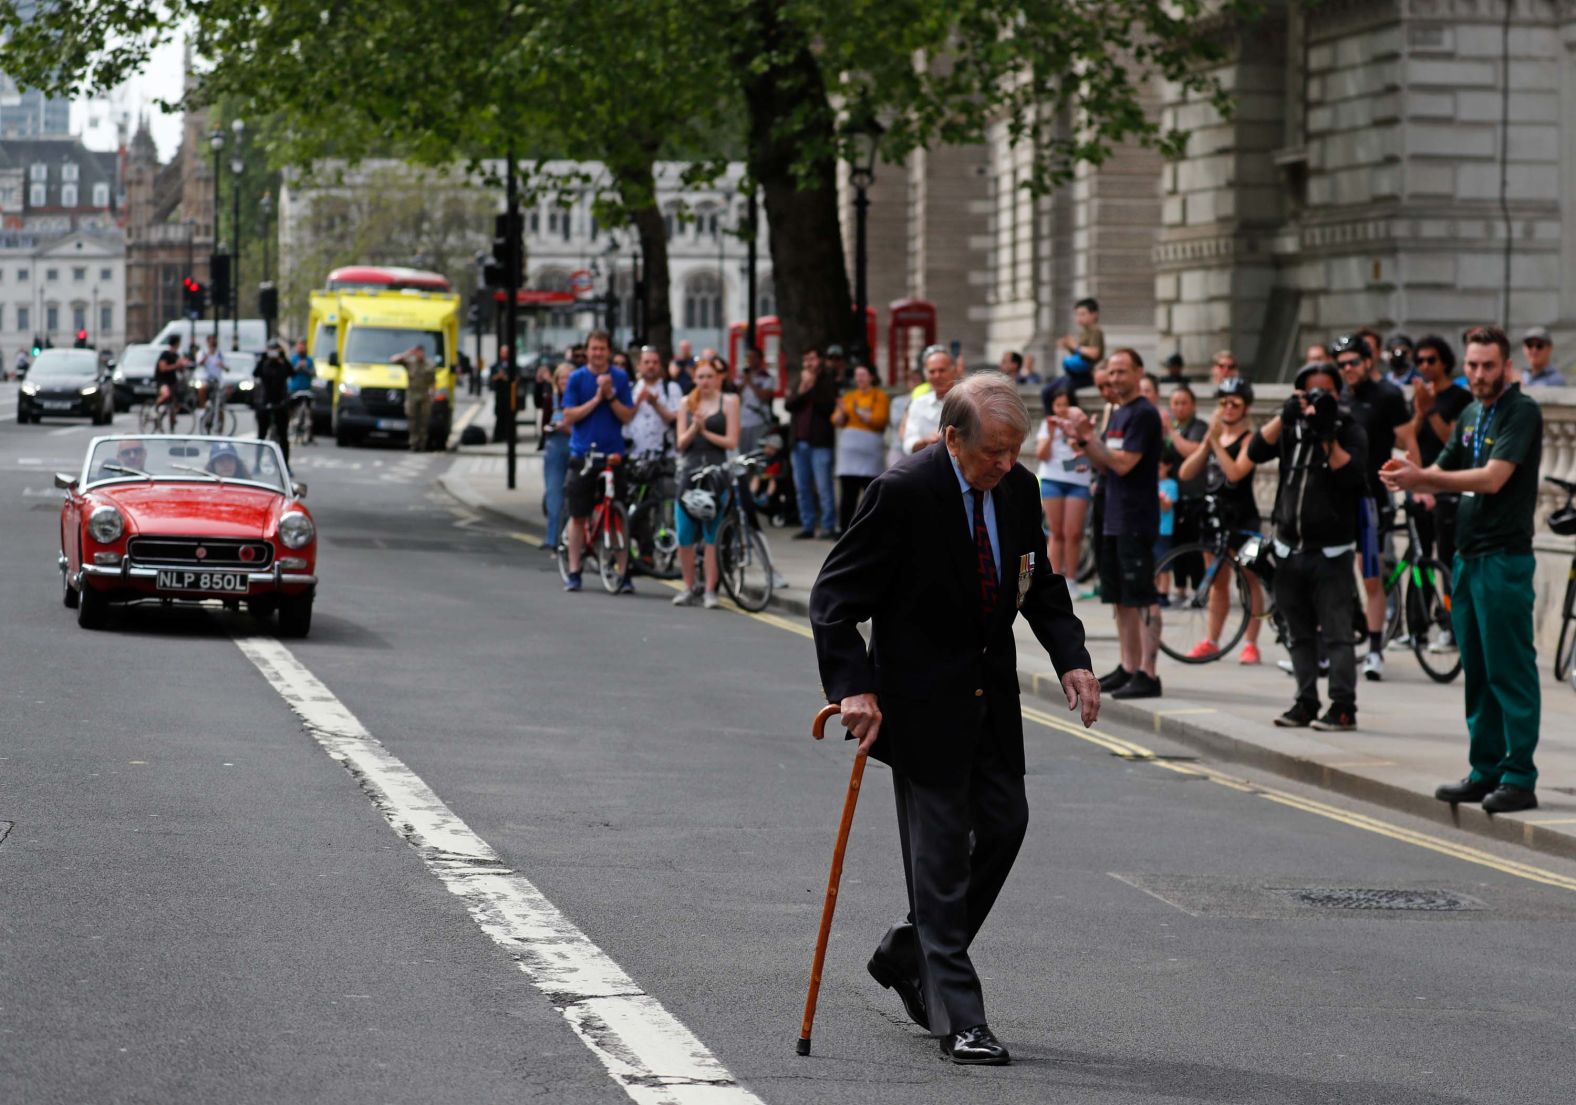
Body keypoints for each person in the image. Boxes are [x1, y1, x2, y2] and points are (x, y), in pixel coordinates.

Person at [809, 372, 1099, 1067]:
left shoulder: (1021, 490)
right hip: (919, 706)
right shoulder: (904, 493)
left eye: (1014, 450)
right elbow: (833, 596)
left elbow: (1040, 584)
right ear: (951, 437)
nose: (1005, 464)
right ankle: (961, 1019)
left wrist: (1072, 658)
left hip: (991, 702)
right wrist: (854, 686)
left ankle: (910, 952)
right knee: (938, 866)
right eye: (993, 451)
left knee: (1005, 825)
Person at [1382, 325, 1544, 814]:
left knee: (1509, 667)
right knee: (1476, 667)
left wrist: (1424, 476)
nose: (1478, 374)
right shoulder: (1471, 414)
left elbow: (1493, 479)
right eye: (1472, 366)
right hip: (1468, 557)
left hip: (1503, 557)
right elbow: (1441, 463)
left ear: (1507, 367)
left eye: (1487, 365)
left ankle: (1520, 776)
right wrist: (1407, 470)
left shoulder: (1522, 412)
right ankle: (1485, 769)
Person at [1246, 361, 1368, 731]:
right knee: (1297, 633)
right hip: (1288, 550)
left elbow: (1352, 478)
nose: (1315, 398)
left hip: (1331, 553)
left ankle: (1343, 706)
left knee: (1337, 635)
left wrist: (1326, 434)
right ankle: (1305, 700)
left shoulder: (1349, 428)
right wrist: (1284, 417)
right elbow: (1254, 451)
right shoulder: (1291, 430)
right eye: (1307, 391)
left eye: (1323, 391)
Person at [1057, 348, 1164, 699]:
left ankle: (1148, 672)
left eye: (1122, 372)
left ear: (1138, 372)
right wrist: (1083, 441)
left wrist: (1090, 440)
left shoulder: (1144, 414)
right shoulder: (1118, 413)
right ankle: (1128, 665)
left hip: (1135, 516)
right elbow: (1105, 465)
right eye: (1112, 373)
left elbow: (1123, 464)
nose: (1116, 379)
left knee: (1142, 596)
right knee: (1120, 598)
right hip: (1112, 515)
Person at [1332, 332, 1415, 681]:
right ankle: (1328, 648)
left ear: (1368, 361)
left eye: (1353, 362)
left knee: (1371, 576)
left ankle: (1376, 649)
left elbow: (1409, 440)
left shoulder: (1387, 396)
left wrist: (1418, 485)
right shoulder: (1337, 397)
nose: (1347, 369)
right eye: (1341, 365)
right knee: (1330, 576)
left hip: (1370, 498)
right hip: (1335, 499)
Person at [1177, 376, 1265, 663]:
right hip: (1214, 518)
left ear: (1245, 408)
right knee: (1216, 580)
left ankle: (1251, 643)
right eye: (1223, 403)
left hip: (1244, 518)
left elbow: (1236, 473)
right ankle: (1211, 640)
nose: (1227, 408)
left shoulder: (1249, 439)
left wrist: (1215, 443)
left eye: (1234, 403)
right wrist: (1207, 444)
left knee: (1249, 578)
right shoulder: (1214, 438)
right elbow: (1186, 473)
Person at [560, 329, 636, 593]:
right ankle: (574, 570)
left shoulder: (620, 378)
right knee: (578, 516)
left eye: (602, 349)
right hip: (584, 455)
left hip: (613, 455)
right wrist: (596, 398)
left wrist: (611, 396)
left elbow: (627, 416)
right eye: (594, 348)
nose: (598, 353)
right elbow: (568, 416)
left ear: (609, 351)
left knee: (619, 513)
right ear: (587, 351)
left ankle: (625, 574)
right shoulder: (577, 378)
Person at [672, 360, 740, 609]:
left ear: (719, 378)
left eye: (710, 376)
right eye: (700, 376)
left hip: (716, 474)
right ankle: (689, 586)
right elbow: (680, 443)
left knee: (712, 535)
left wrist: (705, 432)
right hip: (690, 473)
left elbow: (731, 441)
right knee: (684, 534)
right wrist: (694, 427)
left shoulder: (730, 402)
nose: (705, 381)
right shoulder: (686, 403)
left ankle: (710, 590)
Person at [1409, 335, 1470, 579]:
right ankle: (1420, 610)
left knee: (1447, 555)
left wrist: (1432, 411)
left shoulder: (1460, 397)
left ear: (1444, 362)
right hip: (1421, 484)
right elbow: (1407, 439)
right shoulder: (1419, 396)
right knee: (1420, 554)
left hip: (1447, 484)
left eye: (1431, 360)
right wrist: (1420, 413)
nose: (1425, 366)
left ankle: (1448, 609)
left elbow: (1453, 442)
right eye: (1420, 361)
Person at [1033, 382, 1091, 579]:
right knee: (1055, 532)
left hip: (1077, 482)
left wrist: (1075, 444)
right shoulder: (1046, 425)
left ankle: (1072, 579)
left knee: (1074, 533)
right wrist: (1050, 436)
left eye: (1066, 405)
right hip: (1052, 480)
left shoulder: (1082, 425)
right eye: (1058, 405)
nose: (1061, 410)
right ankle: (1055, 578)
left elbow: (1086, 461)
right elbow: (1041, 455)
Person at [784, 347, 839, 539]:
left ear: (820, 361)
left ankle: (828, 525)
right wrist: (802, 389)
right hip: (798, 442)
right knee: (802, 487)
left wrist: (812, 385)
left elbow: (827, 407)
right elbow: (789, 405)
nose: (808, 363)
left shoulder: (827, 380)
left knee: (824, 486)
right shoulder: (798, 381)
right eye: (805, 359)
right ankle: (807, 525)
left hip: (820, 443)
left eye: (812, 359)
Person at [1162, 383, 1208, 599]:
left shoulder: (1199, 427)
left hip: (1194, 495)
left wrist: (1170, 430)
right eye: (1175, 403)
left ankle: (1198, 589)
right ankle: (1179, 588)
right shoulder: (1171, 430)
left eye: (1183, 403)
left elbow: (1192, 450)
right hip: (1173, 496)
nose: (1179, 408)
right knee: (1175, 544)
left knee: (1194, 546)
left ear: (1193, 405)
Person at [832, 364, 890, 532]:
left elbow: (880, 420)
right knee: (848, 494)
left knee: (871, 493)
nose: (860, 379)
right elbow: (836, 420)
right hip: (849, 455)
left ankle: (872, 530)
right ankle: (843, 530)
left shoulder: (879, 396)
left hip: (870, 453)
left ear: (871, 376)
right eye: (857, 375)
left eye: (863, 374)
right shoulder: (849, 396)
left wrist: (861, 413)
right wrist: (843, 412)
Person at [626, 345, 683, 460]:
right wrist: (637, 403)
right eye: (646, 362)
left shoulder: (672, 388)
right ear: (638, 366)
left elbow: (676, 419)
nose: (651, 366)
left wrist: (655, 405)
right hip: (634, 456)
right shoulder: (630, 388)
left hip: (664, 458)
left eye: (655, 362)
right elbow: (624, 417)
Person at [902, 345, 960, 455]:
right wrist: (924, 441)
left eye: (942, 370)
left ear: (954, 371)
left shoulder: (968, 401)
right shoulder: (919, 403)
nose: (937, 376)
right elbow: (908, 443)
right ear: (925, 374)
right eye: (932, 371)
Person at [541, 363, 573, 551]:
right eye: (561, 378)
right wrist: (549, 428)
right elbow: (544, 423)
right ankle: (551, 539)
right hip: (554, 449)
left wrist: (566, 427)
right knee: (553, 494)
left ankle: (566, 538)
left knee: (572, 495)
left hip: (572, 447)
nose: (564, 382)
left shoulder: (578, 400)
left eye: (568, 378)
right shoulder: (551, 399)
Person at [253, 340, 294, 467]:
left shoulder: (282, 365)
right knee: (261, 436)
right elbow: (255, 373)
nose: (273, 353)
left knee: (283, 437)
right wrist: (264, 357)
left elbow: (292, 372)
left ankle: (285, 465)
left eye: (275, 350)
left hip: (280, 404)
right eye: (271, 350)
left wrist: (283, 357)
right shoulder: (264, 364)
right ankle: (257, 464)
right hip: (265, 403)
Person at [392, 343, 436, 452]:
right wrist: (407, 353)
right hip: (412, 394)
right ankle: (413, 443)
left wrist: (432, 394)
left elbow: (433, 381)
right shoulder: (410, 362)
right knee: (413, 420)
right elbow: (393, 360)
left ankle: (422, 444)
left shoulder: (429, 364)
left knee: (424, 421)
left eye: (420, 352)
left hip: (424, 394)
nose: (419, 354)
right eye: (417, 352)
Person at [1055, 297, 1104, 388]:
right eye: (1077, 314)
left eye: (1082, 314)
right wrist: (1068, 345)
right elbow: (1079, 353)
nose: (1079, 318)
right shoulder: (1084, 331)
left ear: (1094, 315)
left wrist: (1075, 346)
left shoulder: (1095, 330)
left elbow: (1094, 353)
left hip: (1089, 372)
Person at [736, 345, 776, 456]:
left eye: (753, 357)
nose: (750, 360)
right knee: (742, 454)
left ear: (759, 359)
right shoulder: (741, 377)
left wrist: (751, 383)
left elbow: (764, 396)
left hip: (758, 421)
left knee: (756, 453)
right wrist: (744, 382)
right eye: (748, 357)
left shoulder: (766, 377)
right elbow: (735, 397)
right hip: (742, 422)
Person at [152, 334, 187, 429]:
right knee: (166, 394)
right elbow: (162, 368)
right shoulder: (165, 354)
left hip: (172, 381)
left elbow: (180, 370)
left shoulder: (176, 355)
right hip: (163, 380)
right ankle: (154, 409)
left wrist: (182, 365)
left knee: (174, 404)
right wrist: (176, 365)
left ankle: (172, 424)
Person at [287, 339, 316, 444]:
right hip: (294, 389)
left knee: (310, 411)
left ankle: (310, 434)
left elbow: (314, 373)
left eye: (303, 346)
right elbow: (289, 373)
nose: (301, 348)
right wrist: (297, 367)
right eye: (300, 345)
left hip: (306, 390)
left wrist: (306, 368)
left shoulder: (309, 360)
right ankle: (290, 426)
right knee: (290, 410)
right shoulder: (293, 359)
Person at [196, 333, 227, 410]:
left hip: (218, 380)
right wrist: (207, 355)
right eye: (210, 342)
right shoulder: (203, 352)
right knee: (202, 389)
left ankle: (219, 420)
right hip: (207, 379)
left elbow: (227, 368)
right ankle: (204, 407)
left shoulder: (220, 354)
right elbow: (199, 364)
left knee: (219, 406)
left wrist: (222, 365)